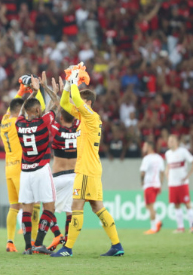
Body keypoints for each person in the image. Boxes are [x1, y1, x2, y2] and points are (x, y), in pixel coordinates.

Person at [52, 64, 124, 257]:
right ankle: (117, 246)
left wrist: (75, 79)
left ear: (88, 103)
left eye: (81, 102)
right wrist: (68, 84)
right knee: (97, 207)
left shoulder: (90, 117)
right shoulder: (86, 117)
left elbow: (75, 99)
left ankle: (67, 248)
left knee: (76, 206)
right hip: (91, 168)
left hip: (85, 169)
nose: (78, 104)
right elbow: (66, 103)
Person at [16, 75, 63, 255]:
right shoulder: (44, 121)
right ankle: (39, 243)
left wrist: (34, 92)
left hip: (25, 172)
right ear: (37, 109)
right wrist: (50, 90)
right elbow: (56, 104)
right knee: (49, 208)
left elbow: (21, 111)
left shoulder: (19, 124)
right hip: (41, 170)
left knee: (26, 209)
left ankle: (28, 247)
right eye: (40, 107)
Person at [0, 76, 42, 253]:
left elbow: (15, 105)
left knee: (14, 206)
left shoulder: (4, 121)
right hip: (20, 168)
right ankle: (32, 240)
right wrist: (35, 92)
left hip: (8, 167)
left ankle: (10, 241)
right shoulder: (19, 122)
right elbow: (28, 110)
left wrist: (22, 90)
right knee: (31, 205)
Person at [49, 92, 78, 250]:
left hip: (58, 177)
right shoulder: (79, 128)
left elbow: (49, 116)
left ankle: (57, 234)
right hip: (74, 176)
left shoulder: (56, 129)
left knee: (48, 209)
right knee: (70, 211)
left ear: (61, 118)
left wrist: (57, 99)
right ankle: (67, 242)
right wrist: (71, 99)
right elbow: (79, 113)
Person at [164, 135, 193, 233]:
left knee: (187, 204)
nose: (169, 142)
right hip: (172, 184)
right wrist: (167, 174)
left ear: (176, 142)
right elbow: (168, 165)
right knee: (176, 204)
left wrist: (187, 176)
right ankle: (180, 227)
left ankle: (192, 226)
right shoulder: (168, 153)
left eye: (171, 141)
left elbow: (192, 161)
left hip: (182, 183)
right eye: (169, 141)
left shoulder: (183, 151)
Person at [139, 140, 164, 234]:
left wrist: (142, 182)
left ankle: (154, 227)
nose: (143, 148)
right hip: (156, 184)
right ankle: (158, 221)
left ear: (149, 147)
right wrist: (160, 184)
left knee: (151, 206)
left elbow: (142, 172)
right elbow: (162, 173)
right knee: (148, 205)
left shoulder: (147, 158)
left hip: (149, 184)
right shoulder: (159, 158)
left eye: (145, 146)